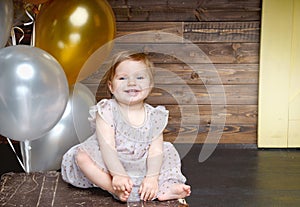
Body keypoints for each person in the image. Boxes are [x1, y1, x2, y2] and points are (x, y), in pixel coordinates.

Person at [61, 51, 191, 202]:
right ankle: (114, 188)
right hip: (109, 160)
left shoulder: (155, 115)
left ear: (150, 86)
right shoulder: (107, 110)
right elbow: (107, 146)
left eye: (140, 77)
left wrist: (151, 178)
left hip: (141, 161)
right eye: (123, 78)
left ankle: (166, 187)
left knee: (166, 151)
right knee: (82, 157)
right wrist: (118, 174)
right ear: (111, 87)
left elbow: (155, 150)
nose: (131, 83)